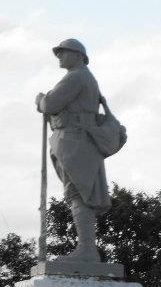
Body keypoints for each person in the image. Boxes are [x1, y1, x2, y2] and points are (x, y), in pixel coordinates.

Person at [35, 38, 109, 263]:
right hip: (72, 138)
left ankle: (87, 250)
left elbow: (51, 105)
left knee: (78, 192)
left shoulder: (76, 76)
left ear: (78, 55)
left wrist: (40, 100)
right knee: (77, 192)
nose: (60, 56)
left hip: (74, 139)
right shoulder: (81, 76)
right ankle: (86, 248)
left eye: (64, 52)